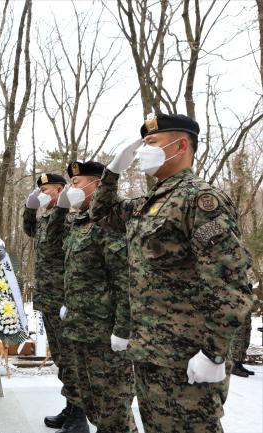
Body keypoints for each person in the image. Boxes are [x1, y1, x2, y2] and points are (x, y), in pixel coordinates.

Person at [90, 113, 254, 433]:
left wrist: (214, 352)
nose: (142, 151)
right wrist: (111, 173)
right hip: (150, 352)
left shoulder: (200, 199)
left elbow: (231, 285)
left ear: (180, 146)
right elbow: (102, 213)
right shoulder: (148, 203)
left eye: (152, 143)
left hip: (188, 358)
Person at [55, 161, 136, 433]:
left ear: (97, 186)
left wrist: (123, 330)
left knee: (114, 409)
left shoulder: (110, 222)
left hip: (106, 333)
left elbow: (124, 279)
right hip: (82, 329)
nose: (70, 188)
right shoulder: (80, 222)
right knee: (95, 407)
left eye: (77, 183)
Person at [22, 173, 84, 430]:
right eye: (39, 190)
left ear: (60, 190)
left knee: (71, 359)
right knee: (60, 357)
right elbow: (29, 230)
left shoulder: (69, 219)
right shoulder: (46, 219)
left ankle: (79, 415)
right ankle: (70, 407)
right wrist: (29, 208)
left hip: (62, 299)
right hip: (48, 299)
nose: (42, 194)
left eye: (46, 190)